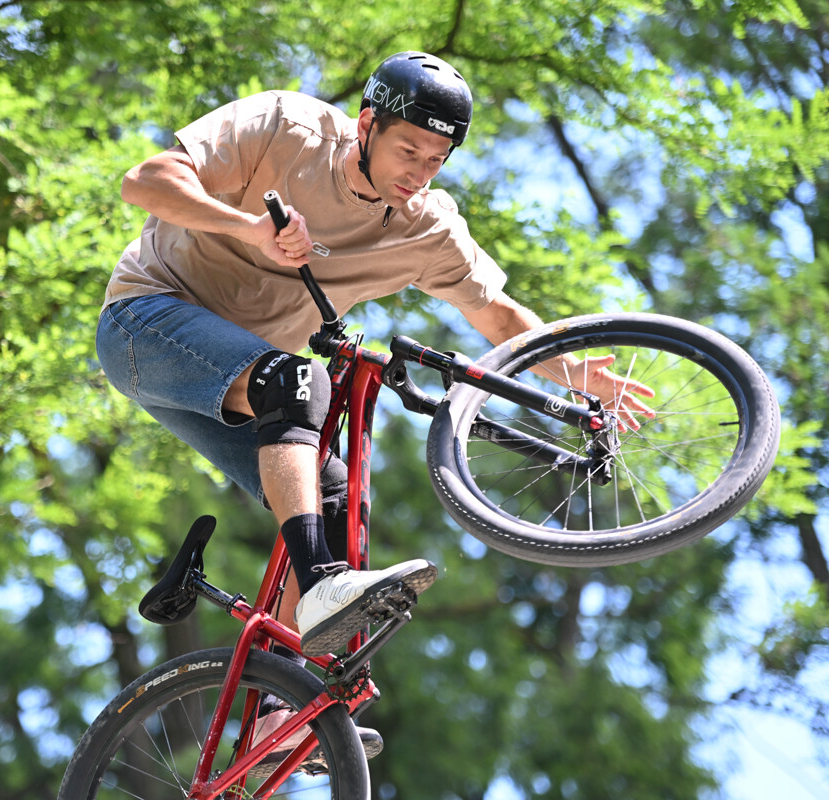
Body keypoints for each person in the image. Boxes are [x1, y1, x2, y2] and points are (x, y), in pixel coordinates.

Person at [96, 50, 655, 767]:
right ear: (366, 125)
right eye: (409, 149)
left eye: (438, 159)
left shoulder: (426, 226)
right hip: (147, 322)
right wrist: (247, 228)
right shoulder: (283, 127)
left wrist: (575, 374)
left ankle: (275, 713)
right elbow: (144, 182)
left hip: (238, 380)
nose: (419, 171)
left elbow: (495, 313)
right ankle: (325, 591)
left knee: (331, 489)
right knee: (300, 385)